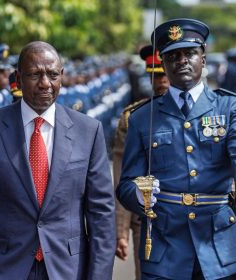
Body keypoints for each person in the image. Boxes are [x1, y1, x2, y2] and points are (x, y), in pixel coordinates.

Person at [0, 41, 115, 280]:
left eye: (52, 74)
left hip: (67, 269)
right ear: (18, 77)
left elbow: (101, 216)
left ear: (62, 76)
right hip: (2, 269)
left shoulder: (88, 131)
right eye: (35, 74)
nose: (45, 83)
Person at [117, 19, 236, 279]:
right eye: (173, 55)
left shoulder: (229, 109)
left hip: (219, 249)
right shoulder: (141, 118)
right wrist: (138, 194)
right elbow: (124, 184)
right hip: (165, 249)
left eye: (190, 53)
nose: (182, 61)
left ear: (203, 59)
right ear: (163, 63)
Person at [113, 44, 169, 280]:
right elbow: (122, 175)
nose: (161, 82)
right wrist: (120, 231)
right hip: (147, 220)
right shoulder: (134, 117)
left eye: (164, 74)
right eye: (155, 75)